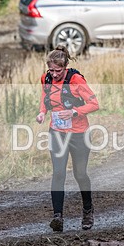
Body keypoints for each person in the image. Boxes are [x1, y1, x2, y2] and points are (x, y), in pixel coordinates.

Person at [35, 47, 100, 231]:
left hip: (79, 133)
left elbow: (94, 104)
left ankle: (88, 210)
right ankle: (58, 217)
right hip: (57, 132)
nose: (55, 74)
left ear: (66, 66)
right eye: (51, 70)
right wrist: (42, 113)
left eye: (58, 71)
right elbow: (44, 97)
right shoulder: (46, 78)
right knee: (58, 173)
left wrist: (74, 111)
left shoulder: (76, 80)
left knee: (80, 174)